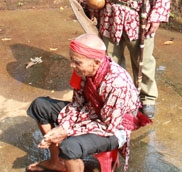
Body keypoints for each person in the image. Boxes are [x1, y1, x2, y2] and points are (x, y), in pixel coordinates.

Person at [25, 34, 143, 172]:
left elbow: (109, 126)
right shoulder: (83, 71)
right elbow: (77, 104)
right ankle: (56, 162)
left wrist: (66, 130)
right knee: (40, 106)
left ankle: (68, 160)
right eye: (71, 60)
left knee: (70, 147)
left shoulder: (117, 84)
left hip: (114, 128)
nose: (71, 65)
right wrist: (61, 130)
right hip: (90, 113)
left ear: (97, 62)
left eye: (77, 62)